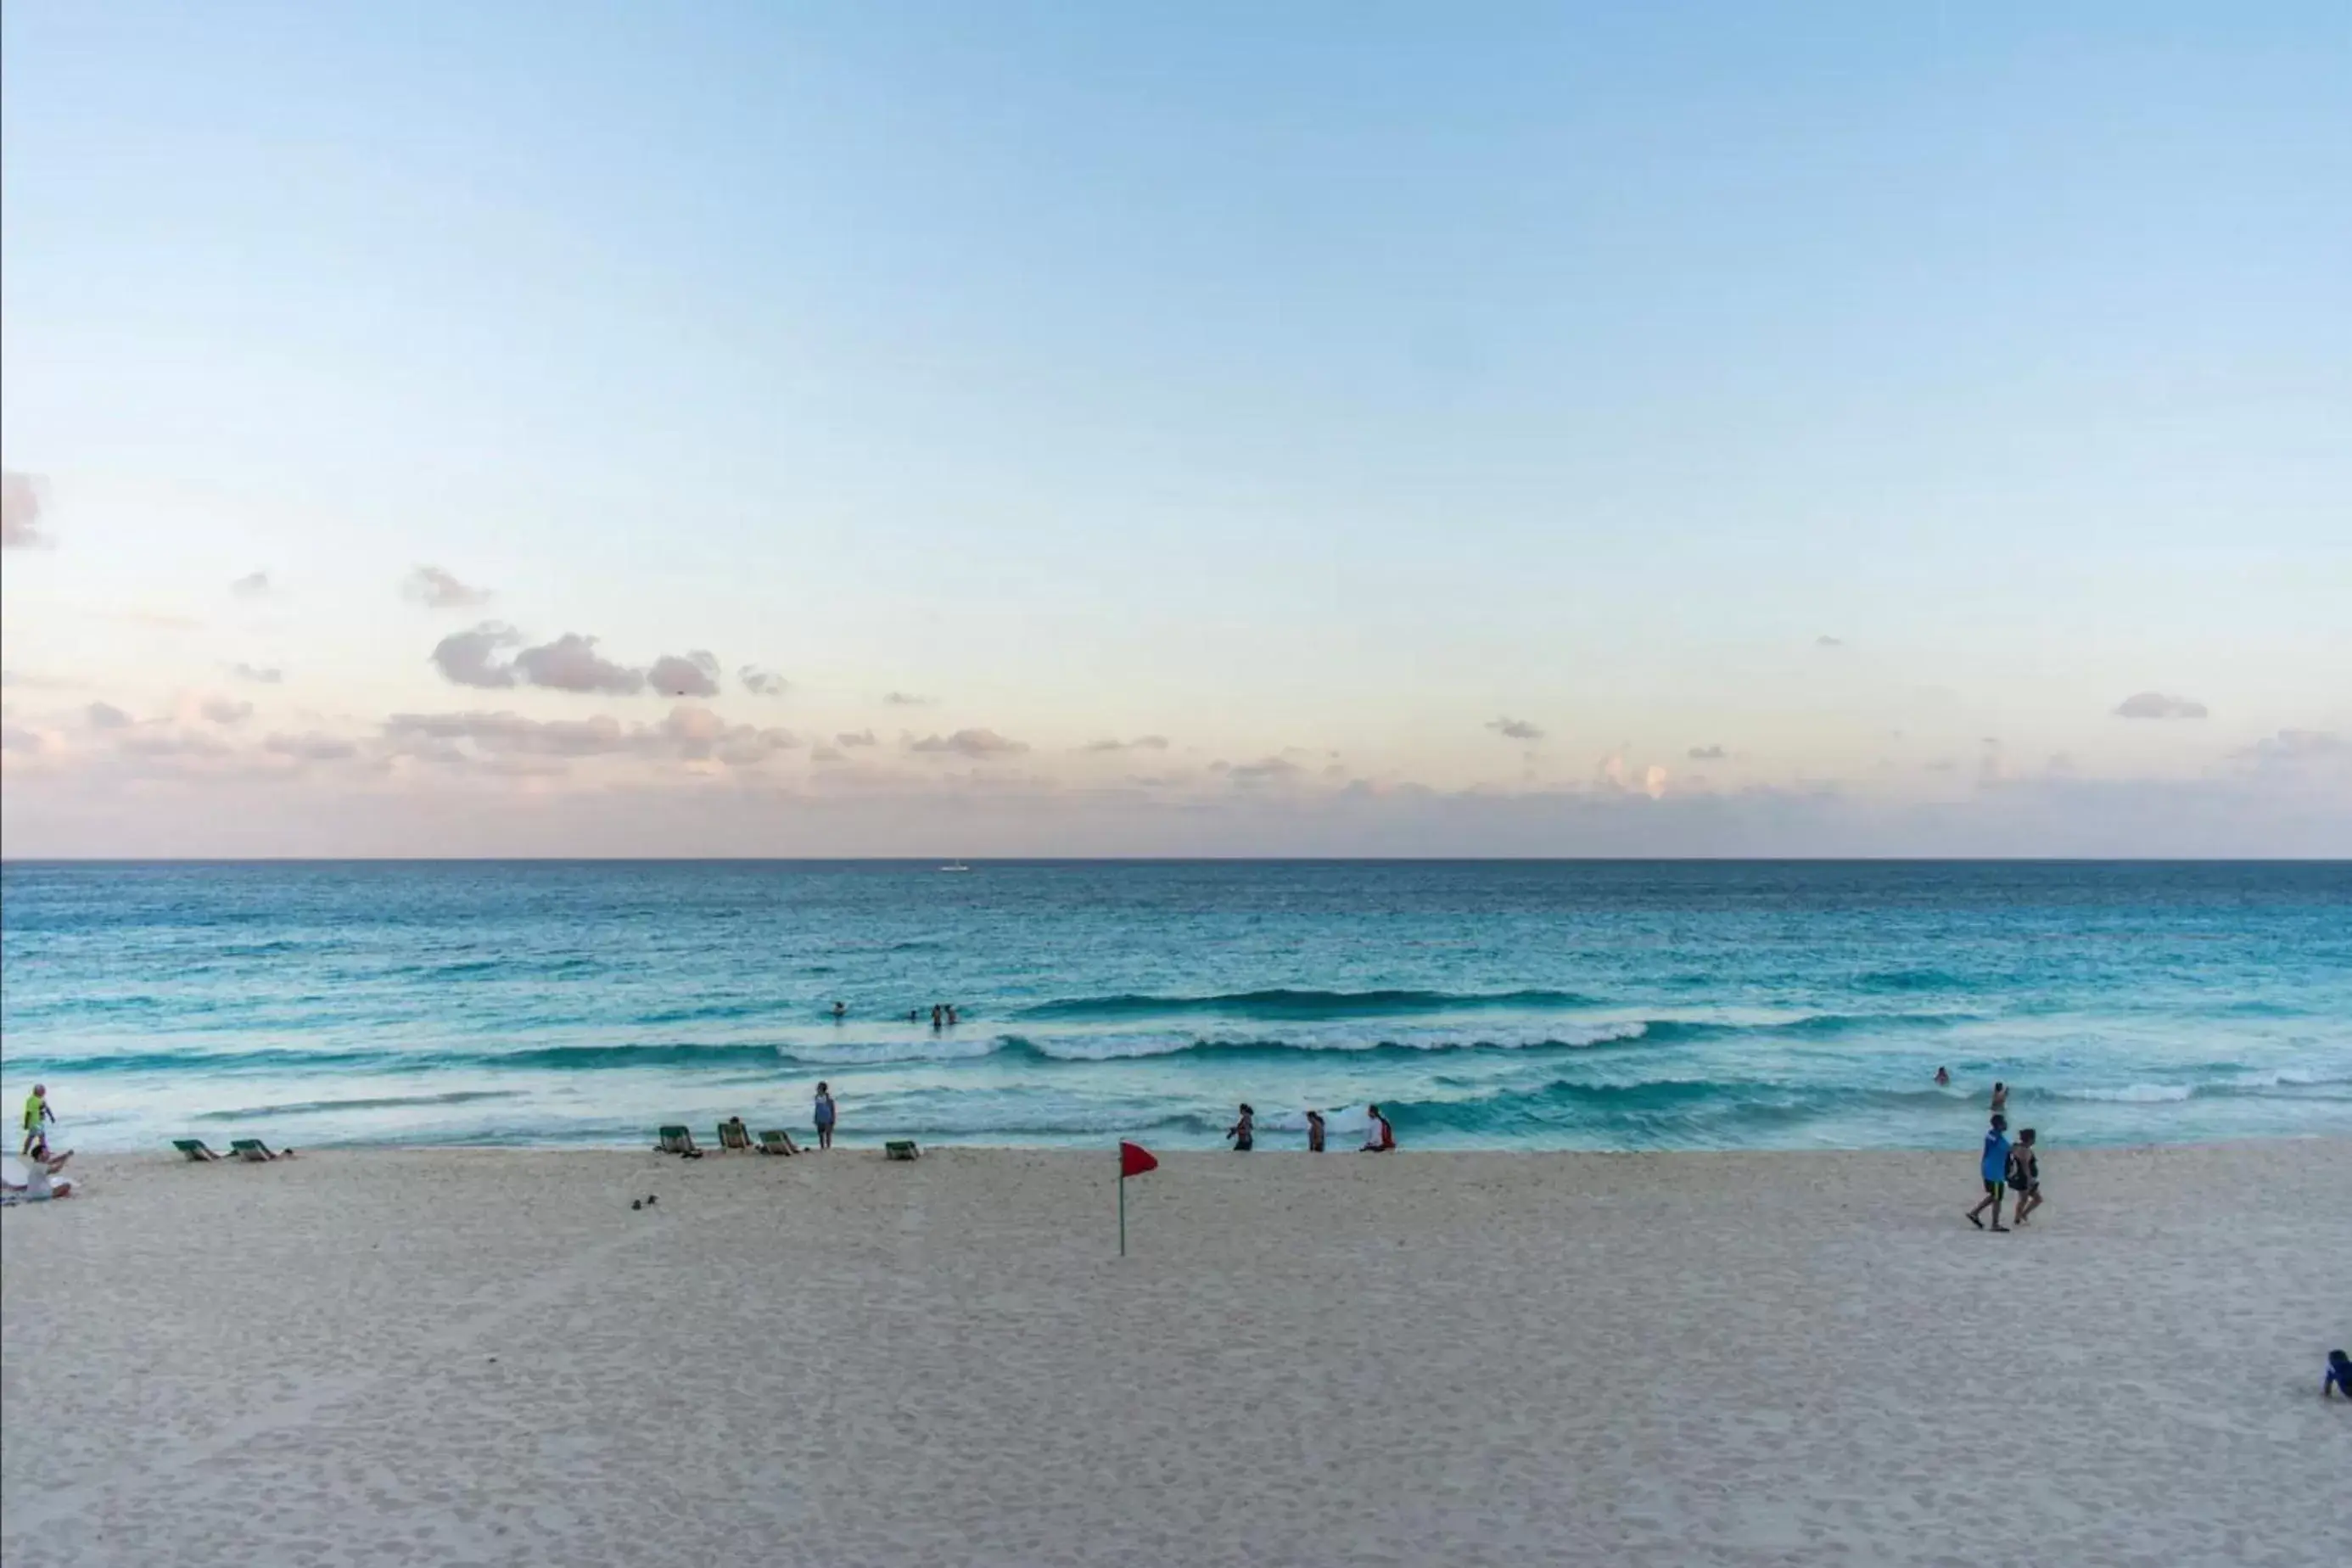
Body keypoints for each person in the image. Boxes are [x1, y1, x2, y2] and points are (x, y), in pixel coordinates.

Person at [1967, 1114, 2011, 1231]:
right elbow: (2009, 1150)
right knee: (1997, 1198)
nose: (2007, 1124)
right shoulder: (1997, 1138)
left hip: (1989, 1169)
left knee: (1994, 1196)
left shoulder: (1992, 1135)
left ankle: (1975, 1212)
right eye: (2004, 1122)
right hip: (1995, 1172)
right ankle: (1995, 1224)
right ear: (2000, 1125)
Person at [2008, 1128, 2042, 1226]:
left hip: (2023, 1177)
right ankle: (2018, 1218)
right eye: (2034, 1138)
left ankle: (2022, 1215)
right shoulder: (2024, 1150)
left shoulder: (2017, 1147)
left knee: (2036, 1199)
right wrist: (2029, 1179)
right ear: (2030, 1139)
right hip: (2023, 1178)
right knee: (2024, 1199)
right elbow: (2025, 1166)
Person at [21, 1083, 53, 1156]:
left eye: (44, 1091)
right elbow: (28, 1113)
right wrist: (26, 1123)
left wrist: (51, 1117)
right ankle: (45, 1151)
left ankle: (25, 1151)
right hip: (34, 1122)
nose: (44, 1092)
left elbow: (47, 1108)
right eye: (43, 1091)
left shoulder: (42, 1099)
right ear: (37, 1091)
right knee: (39, 1136)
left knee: (33, 1136)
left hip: (40, 1122)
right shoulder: (31, 1100)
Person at [813, 1082, 837, 1151]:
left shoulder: (829, 1099)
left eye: (819, 1088)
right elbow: (817, 1109)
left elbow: (832, 1109)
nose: (817, 1089)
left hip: (828, 1119)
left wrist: (833, 1119)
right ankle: (822, 1148)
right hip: (820, 1118)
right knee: (820, 1134)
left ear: (822, 1089)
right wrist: (815, 1117)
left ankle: (828, 1147)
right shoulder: (817, 1098)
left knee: (828, 1134)